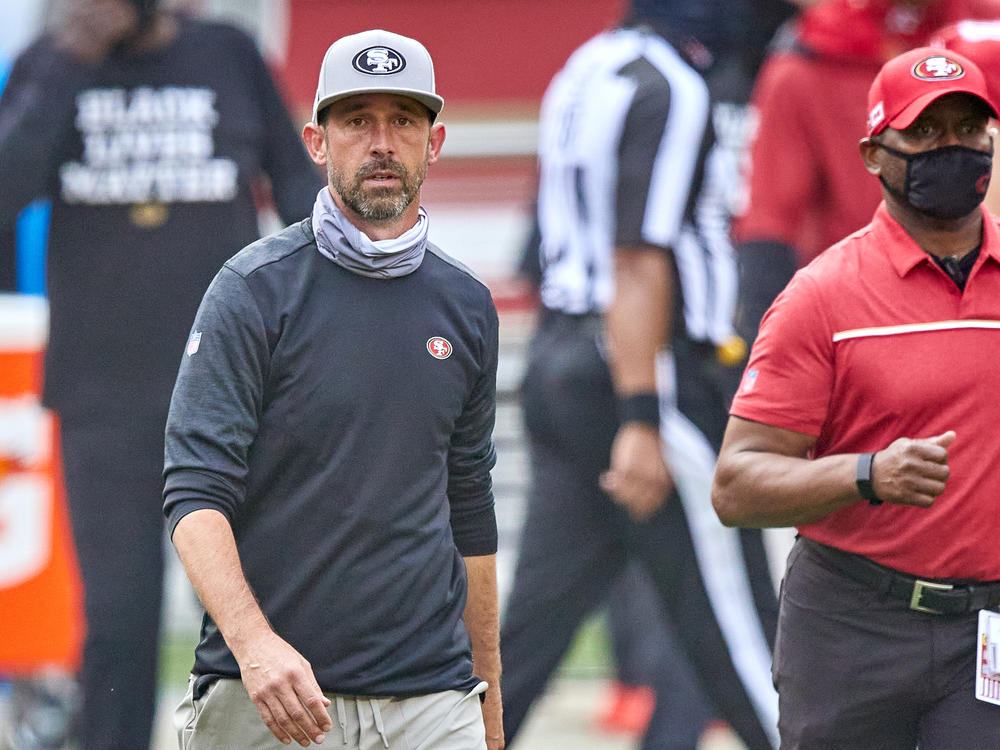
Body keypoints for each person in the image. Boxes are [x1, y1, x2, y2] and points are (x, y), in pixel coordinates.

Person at [163, 28, 503, 750]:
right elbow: (194, 497)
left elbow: (469, 507)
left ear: (433, 143)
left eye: (403, 121)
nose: (381, 142)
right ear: (318, 142)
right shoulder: (251, 291)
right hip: (269, 698)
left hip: (431, 698)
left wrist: (489, 697)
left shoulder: (468, 306)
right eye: (357, 122)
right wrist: (255, 648)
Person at [0, 1, 322, 748]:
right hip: (102, 401)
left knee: (255, 615)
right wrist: (71, 64)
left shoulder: (229, 55)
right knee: (117, 623)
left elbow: (301, 193)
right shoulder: (54, 64)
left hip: (234, 394)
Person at [498, 3, 781, 749]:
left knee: (525, 641)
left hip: (564, 359)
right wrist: (642, 415)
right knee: (750, 640)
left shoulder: (589, 65)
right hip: (641, 371)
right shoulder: (674, 84)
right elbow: (637, 257)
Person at [713, 46, 1000, 749]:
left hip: (986, 632)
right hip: (851, 624)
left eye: (969, 129)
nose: (952, 148)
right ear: (875, 154)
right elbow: (736, 485)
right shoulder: (822, 296)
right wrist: (867, 475)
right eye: (926, 133)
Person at [733, 0, 1000, 342]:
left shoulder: (984, 35)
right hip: (860, 319)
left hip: (978, 305)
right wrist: (764, 339)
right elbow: (769, 221)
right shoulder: (811, 55)